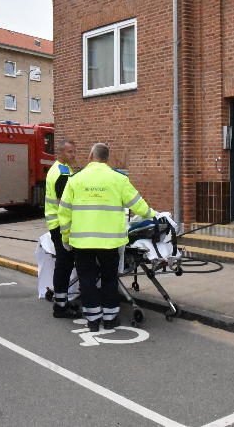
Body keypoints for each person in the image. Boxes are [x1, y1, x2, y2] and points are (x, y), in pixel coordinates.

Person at [58, 143, 157, 332]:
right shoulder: (118, 179)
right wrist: (153, 215)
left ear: (90, 155)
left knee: (86, 279)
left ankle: (93, 320)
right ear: (107, 158)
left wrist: (65, 236)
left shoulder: (75, 179)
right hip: (110, 242)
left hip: (82, 241)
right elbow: (138, 204)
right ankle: (110, 318)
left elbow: (64, 212)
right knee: (109, 278)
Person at [45, 139, 80, 319]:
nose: (73, 155)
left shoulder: (60, 169)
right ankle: (60, 306)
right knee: (64, 265)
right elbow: (64, 204)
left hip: (56, 224)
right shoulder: (62, 173)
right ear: (60, 153)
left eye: (74, 151)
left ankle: (61, 302)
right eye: (70, 152)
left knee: (64, 264)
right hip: (61, 225)